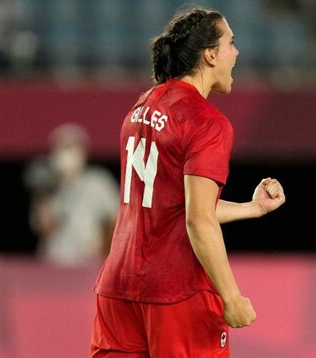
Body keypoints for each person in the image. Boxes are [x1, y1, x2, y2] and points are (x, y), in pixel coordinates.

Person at [90, 8, 286, 357]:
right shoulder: (206, 121)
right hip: (175, 293)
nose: (236, 53)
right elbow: (197, 219)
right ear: (210, 54)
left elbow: (170, 207)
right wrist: (232, 297)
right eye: (231, 43)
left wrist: (252, 208)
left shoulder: (142, 106)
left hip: (118, 287)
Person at [24, 123, 119, 266]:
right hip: (54, 264)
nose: (66, 155)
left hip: (88, 264)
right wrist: (42, 194)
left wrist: (103, 251)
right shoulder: (48, 185)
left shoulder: (98, 181)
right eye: (61, 148)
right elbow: (46, 228)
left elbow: (116, 219)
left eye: (71, 147)